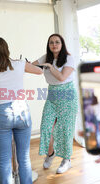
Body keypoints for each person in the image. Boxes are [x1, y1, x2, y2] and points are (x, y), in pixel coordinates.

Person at [0, 37, 43, 184]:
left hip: (2, 113)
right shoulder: (19, 64)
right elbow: (39, 71)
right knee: (23, 158)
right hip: (22, 110)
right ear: (7, 50)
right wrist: (24, 63)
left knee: (4, 160)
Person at [32, 34, 78, 174]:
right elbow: (31, 66)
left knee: (65, 130)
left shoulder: (69, 59)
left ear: (62, 44)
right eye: (51, 42)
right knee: (46, 128)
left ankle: (66, 160)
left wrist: (49, 67)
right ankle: (51, 154)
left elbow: (62, 77)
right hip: (52, 96)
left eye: (57, 42)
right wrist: (19, 64)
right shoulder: (46, 57)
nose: (54, 45)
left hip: (67, 95)